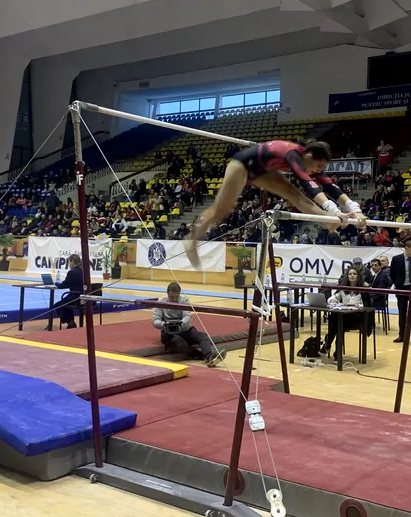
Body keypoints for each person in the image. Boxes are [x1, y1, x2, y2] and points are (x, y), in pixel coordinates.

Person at [186, 141, 363, 267]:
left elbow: (329, 185)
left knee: (296, 196)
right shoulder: (293, 154)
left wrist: (355, 209)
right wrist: (333, 209)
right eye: (319, 166)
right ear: (309, 156)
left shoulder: (306, 159)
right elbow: (308, 184)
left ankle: (328, 221)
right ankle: (192, 241)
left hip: (264, 170)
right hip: (243, 164)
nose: (319, 170)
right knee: (221, 209)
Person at [152, 283, 222, 366]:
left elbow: (187, 317)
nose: (174, 299)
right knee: (177, 342)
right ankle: (199, 355)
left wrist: (180, 324)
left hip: (184, 329)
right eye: (172, 297)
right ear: (167, 294)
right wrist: (165, 324)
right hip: (169, 333)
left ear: (179, 293)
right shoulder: (160, 304)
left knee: (203, 336)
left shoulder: (184, 301)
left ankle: (209, 356)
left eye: (176, 297)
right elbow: (155, 321)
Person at [321, 267, 366, 357]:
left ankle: (328, 344)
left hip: (357, 316)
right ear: (347, 276)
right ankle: (337, 351)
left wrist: (356, 305)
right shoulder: (343, 288)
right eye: (350, 274)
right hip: (343, 316)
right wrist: (333, 300)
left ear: (358, 276)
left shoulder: (363, 289)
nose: (352, 276)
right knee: (336, 320)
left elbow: (366, 305)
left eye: (354, 274)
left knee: (336, 322)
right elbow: (333, 298)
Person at [390, 240, 411, 345]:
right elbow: (392, 274)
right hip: (402, 289)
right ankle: (401, 335)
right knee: (402, 313)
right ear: (407, 248)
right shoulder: (396, 259)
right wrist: (397, 284)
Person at [55, 253, 86, 328]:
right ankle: (71, 322)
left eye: (69, 262)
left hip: (75, 297)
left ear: (72, 261)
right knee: (65, 304)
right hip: (83, 296)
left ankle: (70, 322)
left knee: (58, 305)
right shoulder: (83, 271)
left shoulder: (72, 272)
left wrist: (56, 283)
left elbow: (63, 285)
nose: (69, 264)